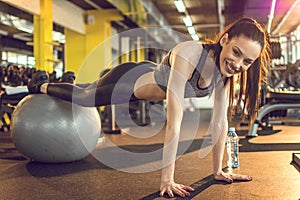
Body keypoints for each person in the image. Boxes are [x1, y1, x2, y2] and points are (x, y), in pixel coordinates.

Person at [27, 17, 270, 198]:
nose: (238, 63)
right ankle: (42, 86)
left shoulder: (224, 74)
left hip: (146, 74)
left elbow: (220, 122)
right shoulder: (190, 54)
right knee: (84, 97)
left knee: (86, 90)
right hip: (129, 82)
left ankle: (67, 82)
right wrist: (167, 180)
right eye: (236, 53)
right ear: (225, 40)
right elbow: (174, 122)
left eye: (247, 61)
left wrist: (219, 171)